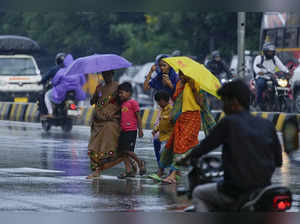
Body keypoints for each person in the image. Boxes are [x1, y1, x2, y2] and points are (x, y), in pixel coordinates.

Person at [178, 80, 282, 212]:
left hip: (235, 190)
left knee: (199, 192)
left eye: (224, 101)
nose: (222, 107)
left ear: (234, 101)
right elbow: (278, 161)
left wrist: (185, 158)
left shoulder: (228, 122)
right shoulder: (267, 124)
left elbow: (205, 146)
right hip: (262, 189)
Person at [159, 70, 204, 184]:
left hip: (192, 117)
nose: (181, 76)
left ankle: (173, 174)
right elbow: (176, 100)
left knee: (182, 145)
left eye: (183, 74)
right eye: (179, 74)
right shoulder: (180, 84)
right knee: (171, 144)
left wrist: (193, 89)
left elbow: (201, 103)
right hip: (181, 118)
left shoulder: (195, 83)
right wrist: (170, 86)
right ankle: (161, 170)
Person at [87, 70, 128, 179]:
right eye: (104, 74)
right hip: (98, 121)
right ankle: (96, 171)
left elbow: (122, 102)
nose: (106, 76)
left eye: (108, 74)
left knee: (108, 146)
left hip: (111, 120)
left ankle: (126, 163)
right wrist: (96, 95)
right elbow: (92, 102)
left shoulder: (117, 87)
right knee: (93, 147)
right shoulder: (99, 87)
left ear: (112, 75)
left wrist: (113, 112)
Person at [144, 54, 179, 172]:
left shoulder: (175, 77)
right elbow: (146, 87)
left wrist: (170, 84)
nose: (162, 68)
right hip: (161, 110)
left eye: (164, 65)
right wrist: (150, 72)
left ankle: (172, 171)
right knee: (156, 139)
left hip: (172, 109)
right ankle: (161, 167)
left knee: (171, 140)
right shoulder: (158, 77)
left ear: (170, 66)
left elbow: (178, 95)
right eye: (160, 66)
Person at [117, 82, 146, 178]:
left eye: (122, 93)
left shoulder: (133, 103)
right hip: (122, 131)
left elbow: (138, 117)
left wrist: (140, 130)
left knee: (128, 151)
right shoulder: (121, 104)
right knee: (123, 152)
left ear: (129, 93)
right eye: (119, 93)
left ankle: (139, 162)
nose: (120, 95)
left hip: (131, 130)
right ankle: (128, 170)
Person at [253, 42, 289, 110]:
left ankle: (280, 98)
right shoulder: (259, 58)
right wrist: (261, 72)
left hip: (272, 77)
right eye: (269, 52)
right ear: (265, 52)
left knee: (281, 84)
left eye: (272, 52)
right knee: (260, 84)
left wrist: (287, 72)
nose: (271, 53)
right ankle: (258, 102)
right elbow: (256, 68)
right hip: (262, 77)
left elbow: (281, 66)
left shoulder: (275, 58)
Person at [151, 91, 174, 178]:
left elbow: (172, 119)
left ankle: (164, 172)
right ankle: (167, 172)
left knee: (163, 153)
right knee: (164, 154)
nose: (158, 104)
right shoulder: (163, 110)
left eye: (159, 102)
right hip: (163, 137)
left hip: (169, 136)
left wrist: (165, 117)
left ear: (163, 100)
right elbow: (161, 122)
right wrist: (156, 130)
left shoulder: (171, 109)